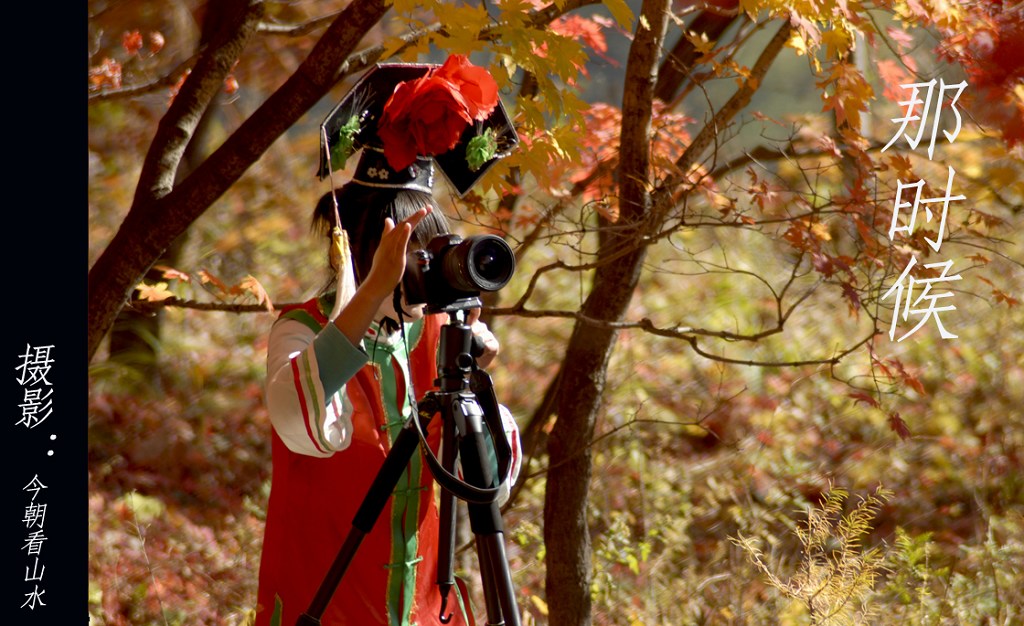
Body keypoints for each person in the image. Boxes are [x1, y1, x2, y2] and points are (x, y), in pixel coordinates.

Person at [256, 56, 520, 626]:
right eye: (403, 254)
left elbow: (493, 483)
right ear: (352, 248)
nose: (414, 270)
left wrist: (478, 389)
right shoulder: (303, 328)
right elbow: (298, 418)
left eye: (428, 250)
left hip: (423, 609)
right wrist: (370, 292)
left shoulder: (437, 338)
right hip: (322, 606)